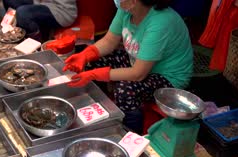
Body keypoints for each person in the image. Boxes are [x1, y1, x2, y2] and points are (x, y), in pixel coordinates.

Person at [64, 0, 193, 134]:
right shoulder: (127, 8)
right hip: (137, 61)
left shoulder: (161, 22)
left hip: (167, 77)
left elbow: (138, 74)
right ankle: (99, 111)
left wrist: (96, 74)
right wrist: (85, 55)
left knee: (125, 90)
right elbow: (109, 41)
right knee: (94, 62)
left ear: (134, 1)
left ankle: (130, 134)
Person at [2, 0, 77, 41]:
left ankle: (36, 45)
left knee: (23, 13)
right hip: (43, 2)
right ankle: (14, 32)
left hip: (61, 10)